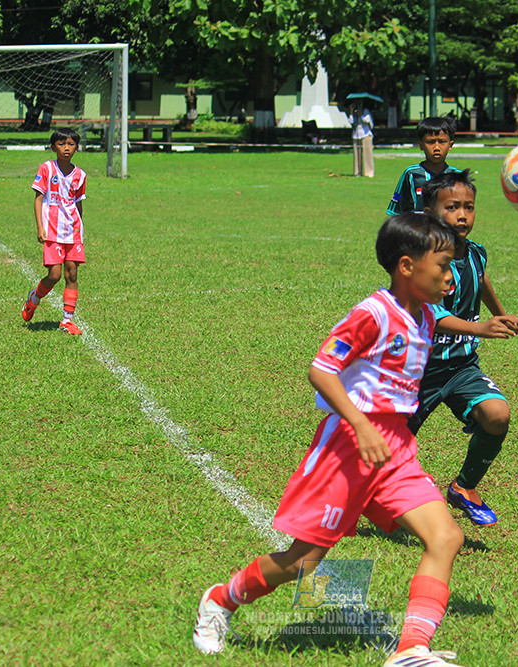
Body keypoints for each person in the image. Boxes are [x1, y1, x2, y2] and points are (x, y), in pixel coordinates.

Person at [194, 212, 468, 667]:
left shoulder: (423, 314)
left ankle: (411, 651)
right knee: (303, 562)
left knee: (445, 538)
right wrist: (361, 425)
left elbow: (433, 330)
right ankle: (221, 601)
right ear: (406, 266)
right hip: (348, 446)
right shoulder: (373, 313)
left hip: (395, 448)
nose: (449, 274)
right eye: (442, 264)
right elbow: (321, 370)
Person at [408, 169, 518, 527]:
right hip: (416, 371)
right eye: (452, 207)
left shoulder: (475, 253)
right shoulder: (423, 260)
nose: (462, 215)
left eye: (469, 207)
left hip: (461, 367)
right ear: (430, 212)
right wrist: (479, 327)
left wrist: (501, 314)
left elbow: (481, 277)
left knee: (497, 414)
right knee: (387, 448)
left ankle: (464, 488)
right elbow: (432, 314)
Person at [20, 128, 88, 335]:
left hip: (73, 231)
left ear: (76, 148)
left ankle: (67, 321)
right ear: (53, 147)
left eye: (70, 144)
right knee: (55, 275)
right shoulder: (47, 169)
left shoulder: (81, 175)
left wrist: (79, 229)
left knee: (72, 274)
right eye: (61, 144)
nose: (66, 148)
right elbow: (38, 198)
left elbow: (78, 204)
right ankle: (34, 298)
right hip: (52, 231)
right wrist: (40, 226)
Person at [386, 117, 460, 216]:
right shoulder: (412, 174)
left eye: (442, 141)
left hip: (446, 231)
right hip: (417, 230)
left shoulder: (457, 176)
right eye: (430, 142)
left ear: (450, 145)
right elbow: (396, 211)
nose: (437, 147)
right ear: (421, 145)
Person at [349, 104, 375, 177]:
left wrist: (361, 115)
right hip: (356, 134)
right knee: (357, 154)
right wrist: (351, 112)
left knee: (367, 154)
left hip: (365, 134)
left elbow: (367, 120)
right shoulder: (354, 112)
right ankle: (358, 172)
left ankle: (369, 172)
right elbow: (351, 121)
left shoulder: (366, 111)